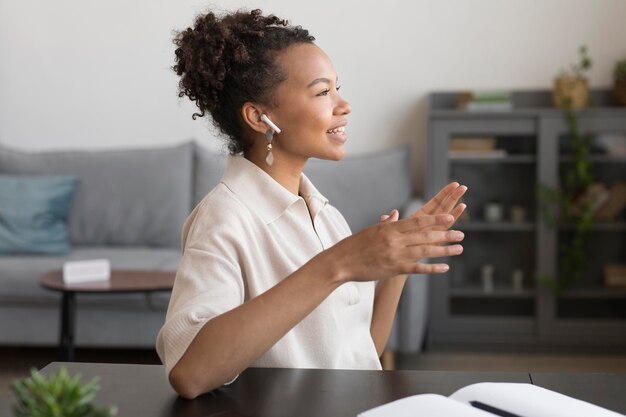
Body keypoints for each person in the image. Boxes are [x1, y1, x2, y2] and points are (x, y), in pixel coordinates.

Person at [156, 8, 467, 399]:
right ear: (259, 117)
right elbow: (190, 373)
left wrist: (398, 266)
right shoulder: (224, 218)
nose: (344, 105)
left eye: (337, 88)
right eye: (323, 92)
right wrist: (338, 265)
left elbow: (359, 354)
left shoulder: (326, 216)